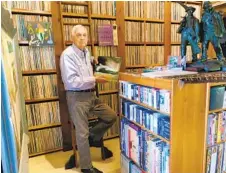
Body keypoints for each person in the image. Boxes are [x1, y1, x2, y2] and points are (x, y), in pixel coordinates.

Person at [60, 25, 117, 173]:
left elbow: (85, 64)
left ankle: (92, 137)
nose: (82, 38)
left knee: (110, 116)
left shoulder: (86, 51)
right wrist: (95, 79)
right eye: (78, 35)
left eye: (84, 35)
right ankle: (86, 168)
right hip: (76, 97)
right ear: (72, 37)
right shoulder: (67, 55)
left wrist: (94, 60)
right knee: (81, 133)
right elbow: (72, 81)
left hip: (91, 95)